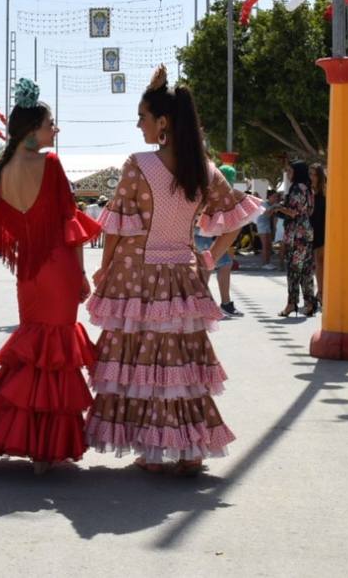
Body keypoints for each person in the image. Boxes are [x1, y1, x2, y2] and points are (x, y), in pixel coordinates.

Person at [85, 66, 261, 474]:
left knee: (144, 364)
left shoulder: (138, 164)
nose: (138, 124)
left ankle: (154, 449)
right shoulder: (203, 169)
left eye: (142, 117)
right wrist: (209, 257)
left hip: (137, 277)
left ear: (162, 122)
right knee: (181, 365)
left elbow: (115, 227)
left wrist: (103, 268)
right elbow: (236, 220)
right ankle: (189, 449)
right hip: (184, 276)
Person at [0, 79, 100, 473]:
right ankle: (43, 450)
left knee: (28, 357)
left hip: (27, 273)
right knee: (55, 356)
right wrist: (81, 274)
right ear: (32, 128)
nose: (54, 130)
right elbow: (68, 224)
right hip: (56, 267)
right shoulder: (52, 163)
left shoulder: (0, 170)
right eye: (50, 123)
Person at [194, 162, 240, 317]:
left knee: (206, 268)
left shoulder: (208, 190)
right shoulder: (224, 193)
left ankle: (200, 303)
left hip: (199, 235)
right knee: (222, 265)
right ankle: (222, 303)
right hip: (208, 236)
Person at [275, 161, 316, 317]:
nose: (289, 174)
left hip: (296, 235)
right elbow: (309, 211)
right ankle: (309, 303)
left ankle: (292, 304)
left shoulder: (297, 188)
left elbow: (293, 212)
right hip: (306, 232)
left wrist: (277, 208)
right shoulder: (309, 189)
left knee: (293, 271)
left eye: (291, 171)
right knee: (306, 271)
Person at [310, 163, 327, 305]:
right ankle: (320, 291)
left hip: (324, 227)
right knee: (316, 262)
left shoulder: (326, 190)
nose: (311, 177)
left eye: (314, 174)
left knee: (321, 262)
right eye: (310, 174)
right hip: (311, 227)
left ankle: (322, 292)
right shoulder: (308, 191)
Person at [255, 189, 280, 267]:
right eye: (274, 197)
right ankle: (265, 264)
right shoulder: (264, 204)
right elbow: (267, 214)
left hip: (267, 225)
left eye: (276, 197)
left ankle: (268, 263)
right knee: (265, 245)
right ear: (269, 197)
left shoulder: (270, 205)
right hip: (262, 226)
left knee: (269, 245)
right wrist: (274, 207)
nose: (276, 198)